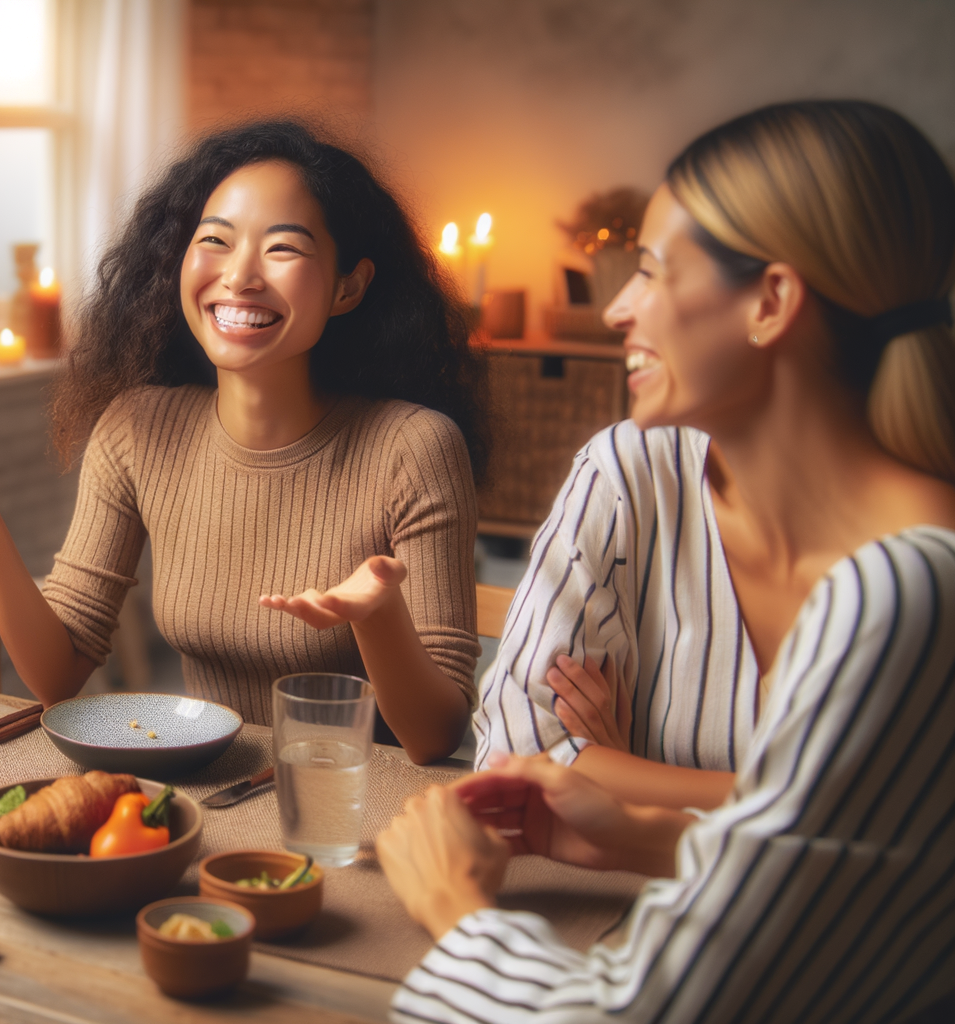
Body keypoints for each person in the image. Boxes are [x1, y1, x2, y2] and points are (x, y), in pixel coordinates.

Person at [377, 100, 955, 1022]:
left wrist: (452, 905)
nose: (616, 307)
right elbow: (876, 873)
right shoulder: (644, 473)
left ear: (770, 302)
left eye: (649, 269)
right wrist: (652, 837)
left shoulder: (898, 596)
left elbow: (634, 1016)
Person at [0, 120, 486, 762]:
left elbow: (434, 738)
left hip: (356, 815)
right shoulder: (138, 429)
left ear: (349, 286)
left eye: (283, 248)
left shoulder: (414, 448)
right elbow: (58, 674)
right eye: (216, 241)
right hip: (213, 794)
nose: (241, 276)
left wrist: (377, 619)